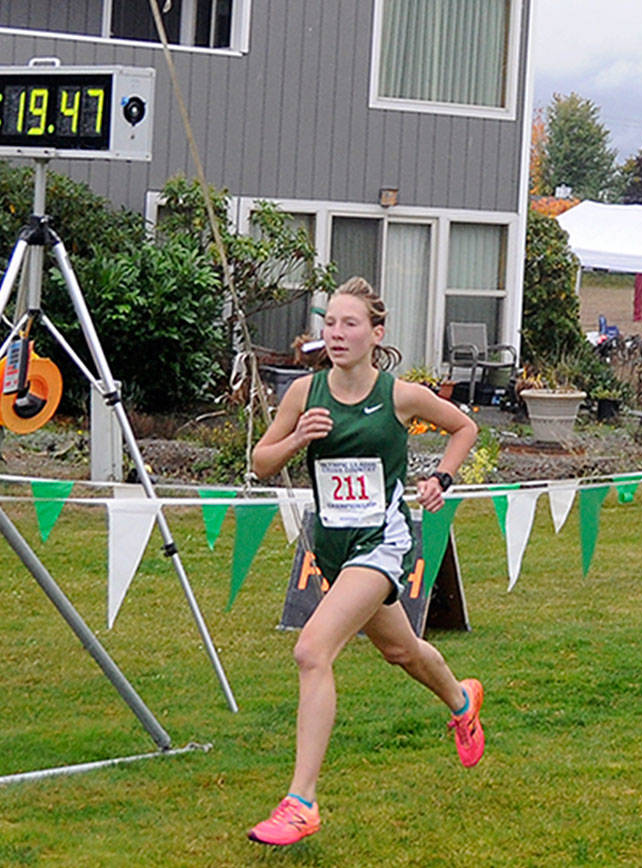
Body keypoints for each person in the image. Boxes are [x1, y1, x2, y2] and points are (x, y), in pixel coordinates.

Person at [246, 277, 483, 846]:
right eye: (329, 323)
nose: (336, 333)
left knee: (311, 649)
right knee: (400, 650)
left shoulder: (400, 395)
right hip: (329, 544)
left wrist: (440, 477)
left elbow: (464, 426)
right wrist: (298, 438)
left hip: (382, 542)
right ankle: (461, 699)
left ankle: (300, 802)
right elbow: (260, 463)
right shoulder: (305, 393)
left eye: (350, 324)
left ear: (377, 334)